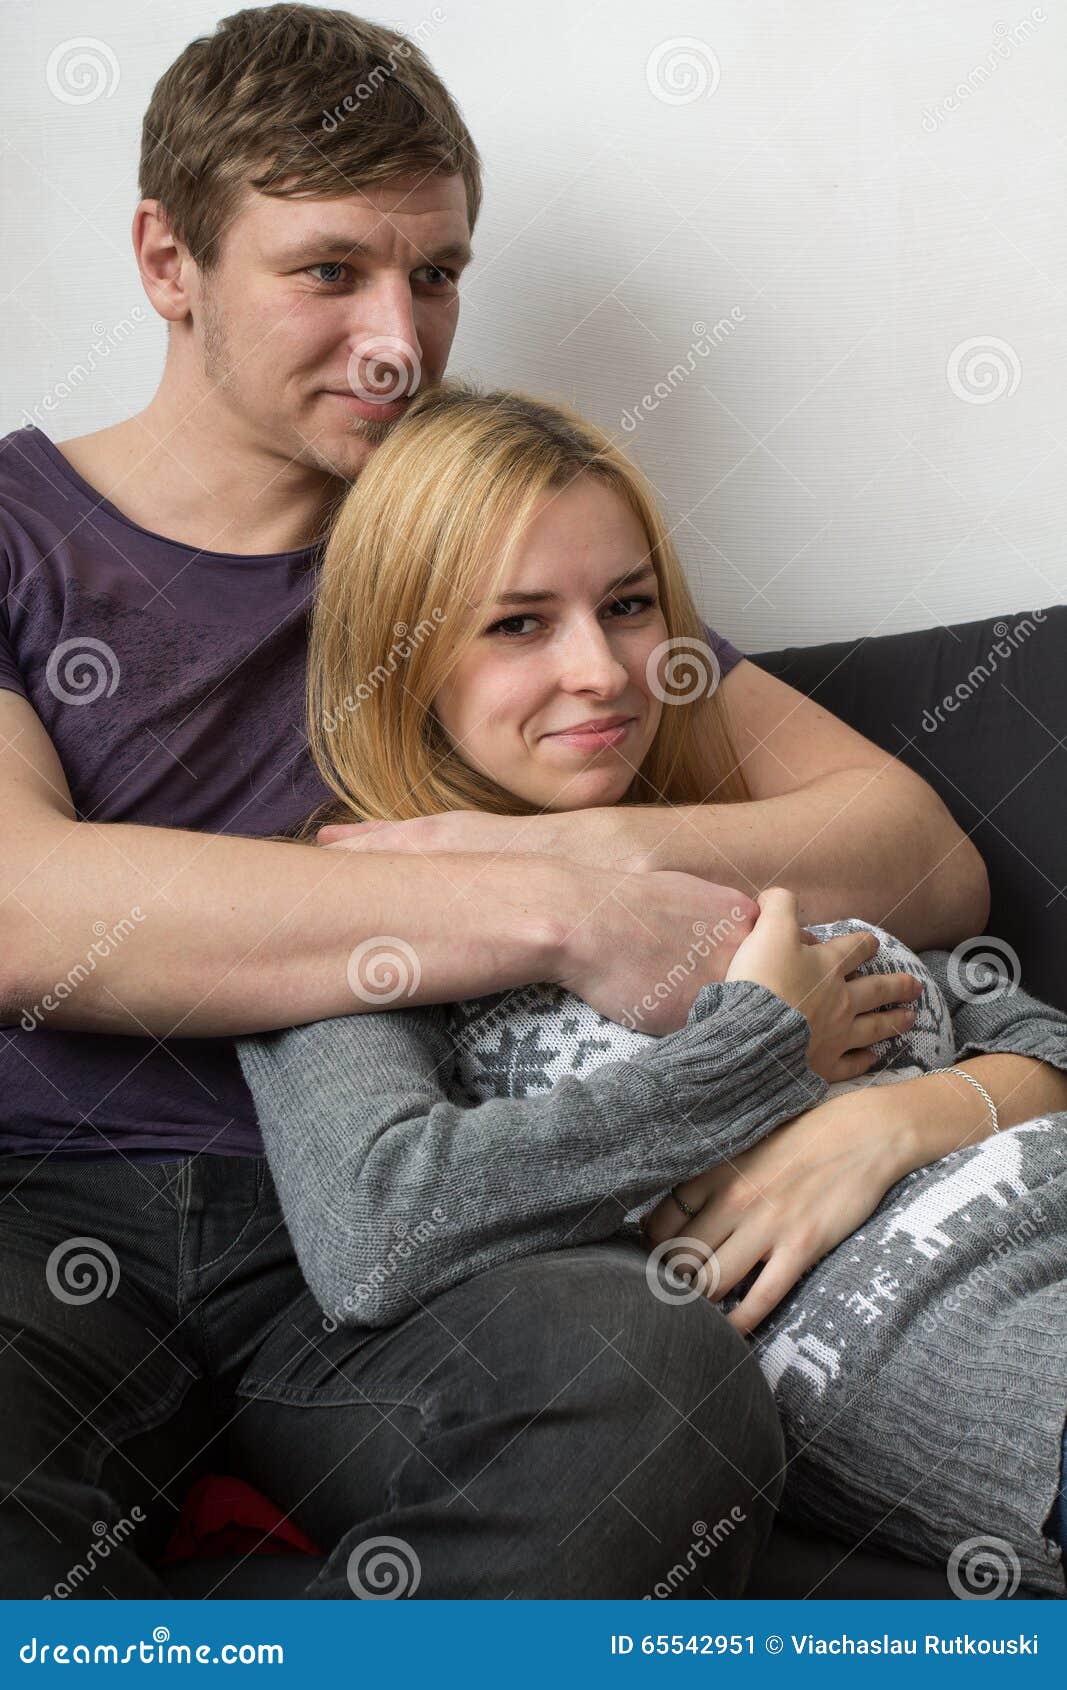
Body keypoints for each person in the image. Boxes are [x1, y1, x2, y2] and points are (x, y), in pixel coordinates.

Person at [0, 7, 987, 1597]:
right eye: (330, 271)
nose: (399, 339)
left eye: (437, 274)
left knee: (652, 1394)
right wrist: (541, 905)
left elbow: (919, 849)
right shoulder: (20, 529)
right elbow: (20, 905)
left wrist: (585, 842)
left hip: (389, 1229)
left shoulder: (490, 550)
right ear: (167, 259)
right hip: (37, 1194)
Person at [235, 381, 1067, 1598]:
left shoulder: (720, 838)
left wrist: (887, 1121)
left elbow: (1029, 1032)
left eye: (626, 607)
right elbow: (381, 1225)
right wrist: (758, 1051)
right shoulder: (360, 916)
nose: (604, 671)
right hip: (1000, 1360)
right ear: (398, 659)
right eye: (517, 624)